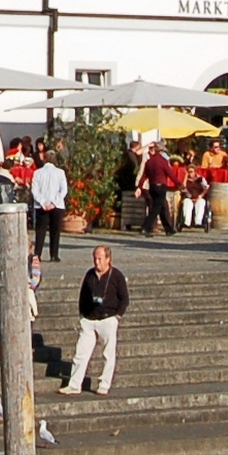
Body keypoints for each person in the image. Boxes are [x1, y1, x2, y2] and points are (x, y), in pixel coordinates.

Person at [60, 244, 128, 397]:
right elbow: (83, 295)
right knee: (81, 353)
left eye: (100, 259)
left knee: (108, 354)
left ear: (108, 259)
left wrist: (118, 316)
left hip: (108, 318)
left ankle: (104, 384)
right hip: (89, 319)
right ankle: (74, 384)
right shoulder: (90, 274)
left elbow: (124, 298)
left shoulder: (116, 276)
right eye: (95, 259)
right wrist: (82, 315)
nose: (97, 262)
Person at [31, 148, 69, 262]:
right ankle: (54, 254)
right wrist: (54, 202)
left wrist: (42, 202)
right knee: (55, 231)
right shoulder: (60, 172)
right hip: (57, 205)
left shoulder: (37, 173)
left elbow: (34, 190)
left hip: (41, 205)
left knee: (40, 230)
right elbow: (63, 190)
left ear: (45, 159)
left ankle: (37, 254)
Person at [137, 141, 180, 237]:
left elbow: (144, 176)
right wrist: (179, 184)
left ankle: (168, 229)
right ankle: (145, 227)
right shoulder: (163, 161)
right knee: (156, 208)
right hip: (161, 186)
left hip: (152, 186)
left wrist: (139, 186)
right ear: (161, 152)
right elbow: (171, 174)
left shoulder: (149, 161)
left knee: (161, 207)